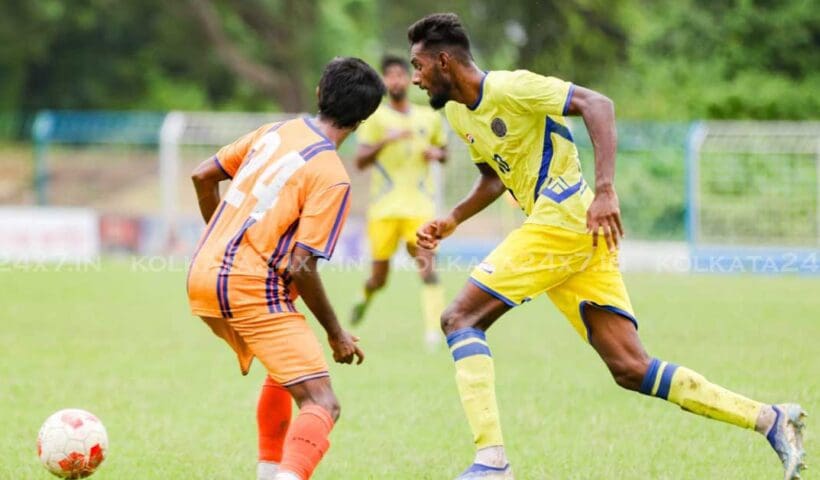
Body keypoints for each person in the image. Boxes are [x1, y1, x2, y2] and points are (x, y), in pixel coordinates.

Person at [407, 13, 806, 480]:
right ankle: (769, 418)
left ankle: (492, 463)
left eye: (418, 66)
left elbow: (599, 104)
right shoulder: (457, 111)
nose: (415, 78)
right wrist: (452, 219)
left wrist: (606, 189)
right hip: (571, 233)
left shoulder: (512, 87)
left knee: (459, 319)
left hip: (566, 218)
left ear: (444, 61)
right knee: (631, 368)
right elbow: (494, 177)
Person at [186, 57, 385, 480]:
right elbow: (301, 265)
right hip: (248, 285)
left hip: (202, 273)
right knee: (322, 402)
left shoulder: (275, 131)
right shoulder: (332, 175)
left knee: (288, 368)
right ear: (364, 118)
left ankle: (267, 471)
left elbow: (203, 176)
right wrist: (337, 332)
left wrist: (226, 242)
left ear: (319, 92)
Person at [351, 54, 448, 349]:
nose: (395, 80)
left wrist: (437, 155)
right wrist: (386, 140)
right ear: (383, 81)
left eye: (400, 75)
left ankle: (434, 331)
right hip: (384, 209)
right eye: (389, 76)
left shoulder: (429, 117)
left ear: (408, 78)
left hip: (420, 207)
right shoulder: (376, 118)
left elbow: (444, 153)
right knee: (379, 279)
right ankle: (363, 299)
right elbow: (360, 161)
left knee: (427, 266)